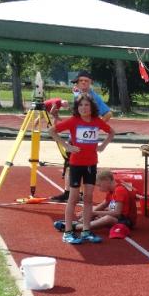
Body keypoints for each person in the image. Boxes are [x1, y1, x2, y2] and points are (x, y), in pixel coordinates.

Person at [48, 94, 115, 244]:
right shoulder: (73, 121)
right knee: (73, 197)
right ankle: (68, 232)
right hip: (76, 164)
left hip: (91, 164)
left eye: (86, 105)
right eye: (80, 105)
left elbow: (112, 132)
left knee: (88, 198)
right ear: (77, 108)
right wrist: (67, 146)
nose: (83, 108)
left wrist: (103, 146)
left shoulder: (97, 121)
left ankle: (86, 230)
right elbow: (52, 131)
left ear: (92, 107)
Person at [50, 69, 111, 202]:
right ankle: (70, 192)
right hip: (74, 138)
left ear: (90, 82)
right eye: (80, 81)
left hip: (84, 141)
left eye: (86, 81)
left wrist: (94, 126)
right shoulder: (78, 93)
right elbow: (75, 117)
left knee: (80, 166)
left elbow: (108, 113)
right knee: (70, 166)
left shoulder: (94, 98)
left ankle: (76, 194)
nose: (83, 83)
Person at [54, 170, 137, 233]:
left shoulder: (120, 190)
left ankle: (76, 227)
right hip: (118, 218)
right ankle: (79, 222)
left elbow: (117, 213)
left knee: (106, 218)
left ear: (107, 180)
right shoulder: (111, 191)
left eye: (99, 185)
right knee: (95, 210)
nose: (99, 189)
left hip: (126, 221)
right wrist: (88, 213)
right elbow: (103, 204)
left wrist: (94, 213)